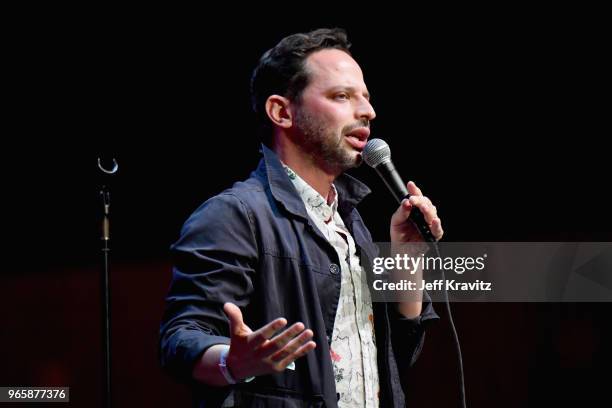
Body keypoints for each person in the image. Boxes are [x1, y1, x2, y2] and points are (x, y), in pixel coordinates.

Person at [159, 28, 443, 407]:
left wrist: (407, 260)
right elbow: (181, 336)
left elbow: (392, 359)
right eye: (341, 96)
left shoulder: (350, 224)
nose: (368, 112)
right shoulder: (235, 215)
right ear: (281, 111)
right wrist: (232, 360)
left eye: (366, 99)